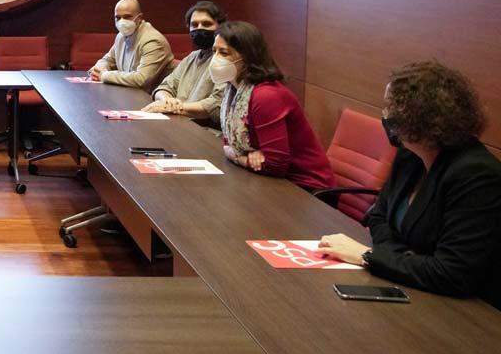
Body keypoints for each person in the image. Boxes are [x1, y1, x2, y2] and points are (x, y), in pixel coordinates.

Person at [318, 62, 501, 309]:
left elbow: (454, 273)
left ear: (422, 115)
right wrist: (396, 258)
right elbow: (378, 216)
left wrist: (368, 256)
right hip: (411, 286)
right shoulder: (410, 155)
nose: (385, 114)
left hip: (463, 311)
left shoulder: (476, 174)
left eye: (391, 106)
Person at [212, 21, 334, 192]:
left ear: (247, 57)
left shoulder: (266, 96)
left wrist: (239, 158)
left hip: (305, 189)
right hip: (266, 179)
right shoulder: (234, 88)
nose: (216, 58)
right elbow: (228, 142)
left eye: (224, 53)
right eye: (214, 51)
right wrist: (242, 155)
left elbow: (275, 164)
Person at [143, 0, 227, 124]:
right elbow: (165, 86)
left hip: (206, 130)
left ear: (220, 27)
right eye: (194, 25)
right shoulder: (192, 57)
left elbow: (216, 104)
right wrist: (166, 101)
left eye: (206, 24)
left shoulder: (225, 60)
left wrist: (177, 108)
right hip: (178, 121)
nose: (200, 28)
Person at [88, 0, 173, 92]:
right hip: (128, 94)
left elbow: (141, 79)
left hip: (151, 99)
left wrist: (105, 75)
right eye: (118, 18)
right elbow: (108, 59)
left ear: (139, 18)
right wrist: (99, 69)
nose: (122, 22)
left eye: (127, 17)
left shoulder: (153, 41)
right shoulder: (121, 36)